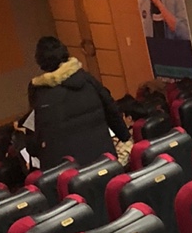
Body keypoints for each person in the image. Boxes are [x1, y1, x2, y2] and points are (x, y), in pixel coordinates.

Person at [27, 36, 128, 170]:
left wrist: (31, 148)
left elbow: (40, 135)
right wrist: (124, 136)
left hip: (73, 169)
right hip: (105, 159)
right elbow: (112, 111)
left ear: (40, 62)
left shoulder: (41, 93)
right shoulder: (87, 79)